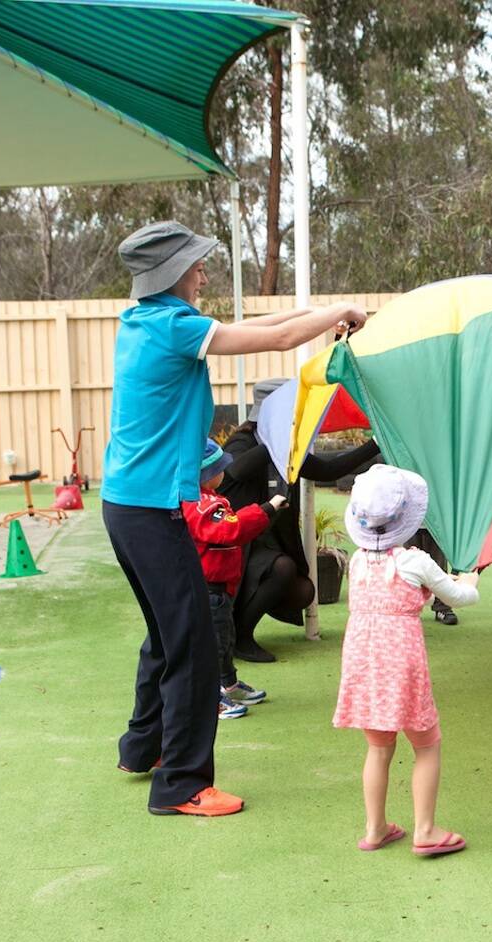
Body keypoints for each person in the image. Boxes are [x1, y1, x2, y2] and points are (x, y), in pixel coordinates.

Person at [103, 219, 365, 817]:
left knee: (166, 635)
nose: (203, 272)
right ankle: (183, 785)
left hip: (127, 504)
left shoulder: (142, 322)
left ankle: (142, 747)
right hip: (150, 508)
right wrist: (337, 313)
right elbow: (272, 341)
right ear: (172, 274)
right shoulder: (172, 327)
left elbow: (263, 326)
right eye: (196, 265)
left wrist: (327, 311)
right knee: (193, 642)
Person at [332, 465, 479, 856]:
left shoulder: (358, 563)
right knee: (427, 744)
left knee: (378, 747)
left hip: (365, 661)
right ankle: (426, 830)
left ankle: (375, 827)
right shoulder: (416, 562)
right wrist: (472, 580)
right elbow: (459, 596)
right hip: (402, 662)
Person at [219, 380, 381, 661]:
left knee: (303, 591)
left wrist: (376, 442)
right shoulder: (243, 443)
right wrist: (276, 440)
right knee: (282, 567)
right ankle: (241, 638)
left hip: (266, 540)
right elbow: (234, 472)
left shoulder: (287, 449)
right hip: (236, 542)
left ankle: (234, 629)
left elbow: (330, 470)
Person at [182, 440, 285, 721]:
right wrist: (266, 510)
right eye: (219, 469)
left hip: (222, 586)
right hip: (209, 587)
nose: (224, 473)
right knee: (213, 646)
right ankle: (210, 698)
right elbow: (231, 530)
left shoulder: (209, 499)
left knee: (224, 640)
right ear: (205, 474)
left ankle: (228, 683)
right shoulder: (201, 504)